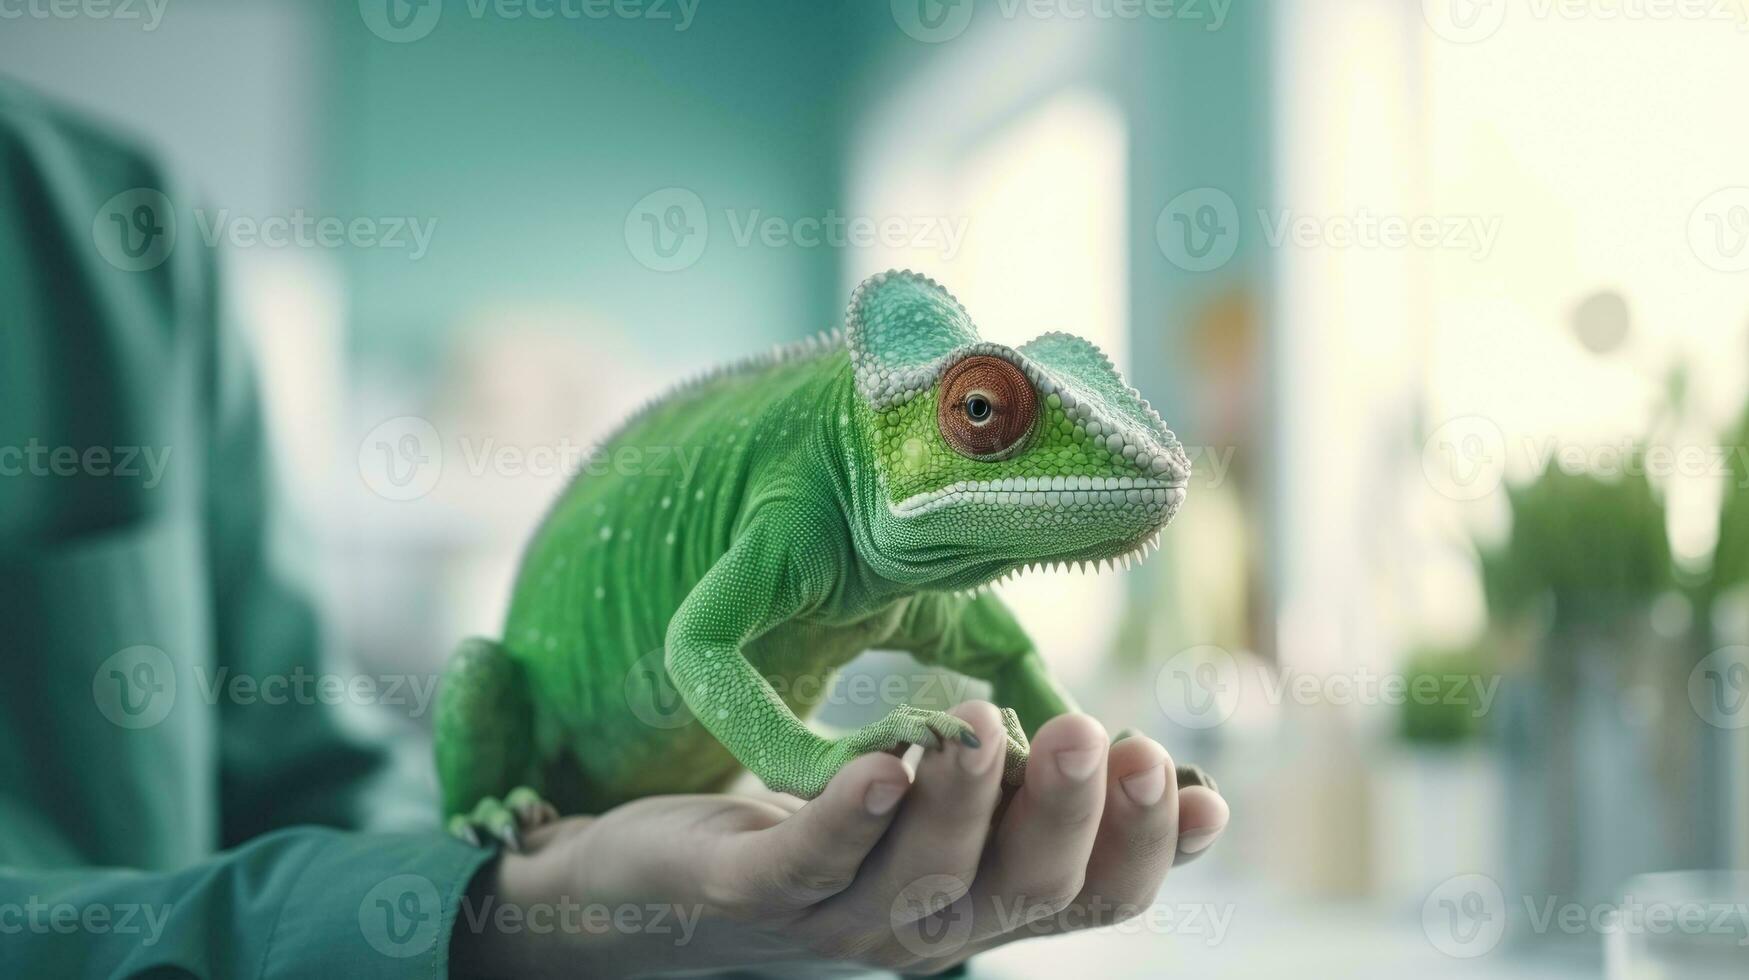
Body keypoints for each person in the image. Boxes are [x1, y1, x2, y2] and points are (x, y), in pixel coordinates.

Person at [0, 79, 1229, 978]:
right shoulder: (814, 504)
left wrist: (1078, 757)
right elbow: (705, 650)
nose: (1006, 438)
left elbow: (304, 771)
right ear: (903, 426)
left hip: (637, 817)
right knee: (483, 675)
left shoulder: (129, 226)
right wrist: (508, 891)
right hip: (549, 750)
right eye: (985, 413)